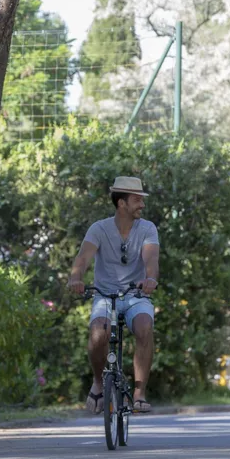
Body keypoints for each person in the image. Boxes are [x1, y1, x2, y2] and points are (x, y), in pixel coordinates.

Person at [67, 176, 160, 415]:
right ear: (122, 203)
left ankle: (139, 393)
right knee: (99, 331)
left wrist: (150, 279)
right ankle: (99, 383)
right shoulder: (99, 229)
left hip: (136, 294)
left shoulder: (148, 228)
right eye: (137, 200)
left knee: (144, 326)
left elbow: (151, 258)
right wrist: (76, 278)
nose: (142, 204)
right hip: (105, 295)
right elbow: (83, 258)